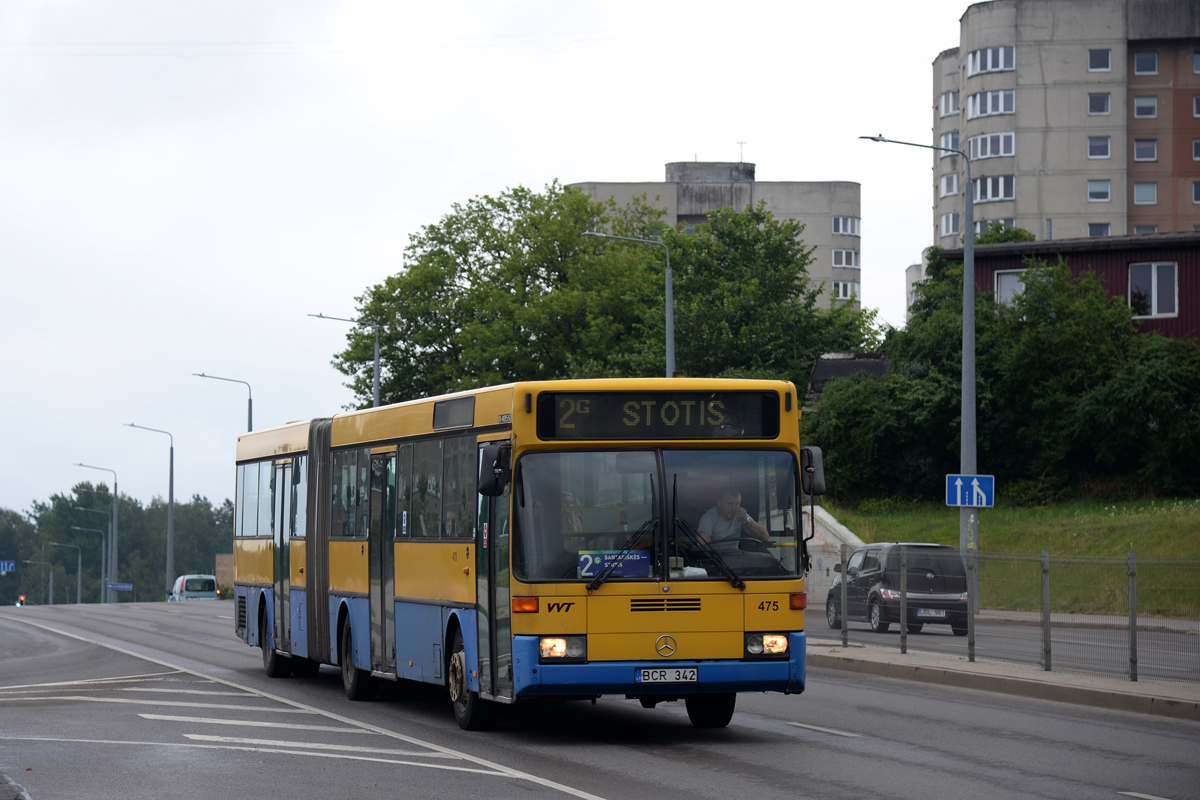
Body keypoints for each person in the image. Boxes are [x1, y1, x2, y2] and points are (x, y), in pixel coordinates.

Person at [697, 488, 769, 550]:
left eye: (737, 504)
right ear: (719, 503)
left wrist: (745, 520)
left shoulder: (741, 516)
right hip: (716, 557)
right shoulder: (708, 518)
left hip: (734, 556)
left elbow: (765, 537)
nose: (734, 508)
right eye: (730, 504)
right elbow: (702, 546)